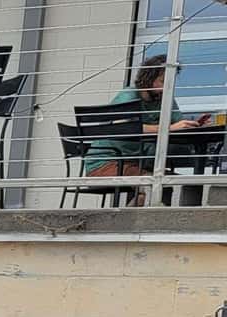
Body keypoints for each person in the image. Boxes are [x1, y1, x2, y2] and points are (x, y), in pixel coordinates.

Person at [83, 55, 199, 205]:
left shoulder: (165, 99)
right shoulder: (129, 95)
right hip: (105, 164)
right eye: (163, 81)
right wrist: (168, 128)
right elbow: (123, 126)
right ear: (148, 78)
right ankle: (133, 220)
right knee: (156, 184)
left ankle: (134, 219)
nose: (165, 87)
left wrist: (193, 124)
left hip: (138, 165)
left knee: (177, 184)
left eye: (170, 83)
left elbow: (178, 124)